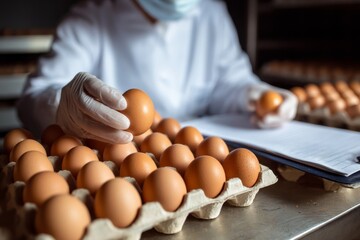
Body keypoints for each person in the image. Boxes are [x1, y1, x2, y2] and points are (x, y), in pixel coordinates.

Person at [17, 0, 297, 144]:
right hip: (121, 150)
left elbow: (229, 82)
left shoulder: (211, 13)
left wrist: (255, 93)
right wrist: (61, 105)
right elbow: (32, 99)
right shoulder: (92, 17)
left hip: (195, 151)